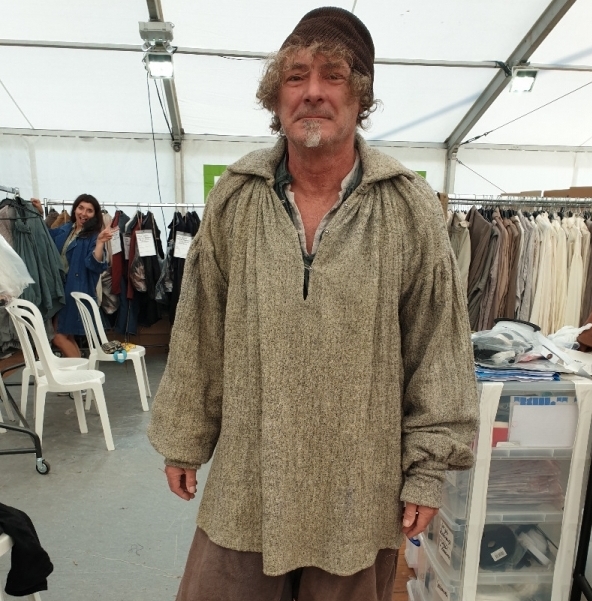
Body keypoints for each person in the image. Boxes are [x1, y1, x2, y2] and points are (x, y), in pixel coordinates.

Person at [148, 7, 479, 601]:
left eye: (333, 75)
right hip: (249, 483)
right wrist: (185, 437)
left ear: (361, 96)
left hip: (358, 488)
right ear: (276, 97)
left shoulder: (406, 207)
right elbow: (200, 329)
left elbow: (438, 349)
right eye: (296, 76)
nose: (313, 92)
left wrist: (427, 470)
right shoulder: (237, 198)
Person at [32, 194, 115, 358]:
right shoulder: (66, 229)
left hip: (77, 292)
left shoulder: (93, 236)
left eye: (89, 210)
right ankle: (84, 372)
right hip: (62, 291)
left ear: (95, 214)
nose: (84, 213)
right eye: (81, 208)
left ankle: (83, 373)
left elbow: (95, 265)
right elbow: (44, 237)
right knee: (67, 336)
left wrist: (100, 243)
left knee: (58, 337)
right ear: (75, 209)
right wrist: (39, 214)